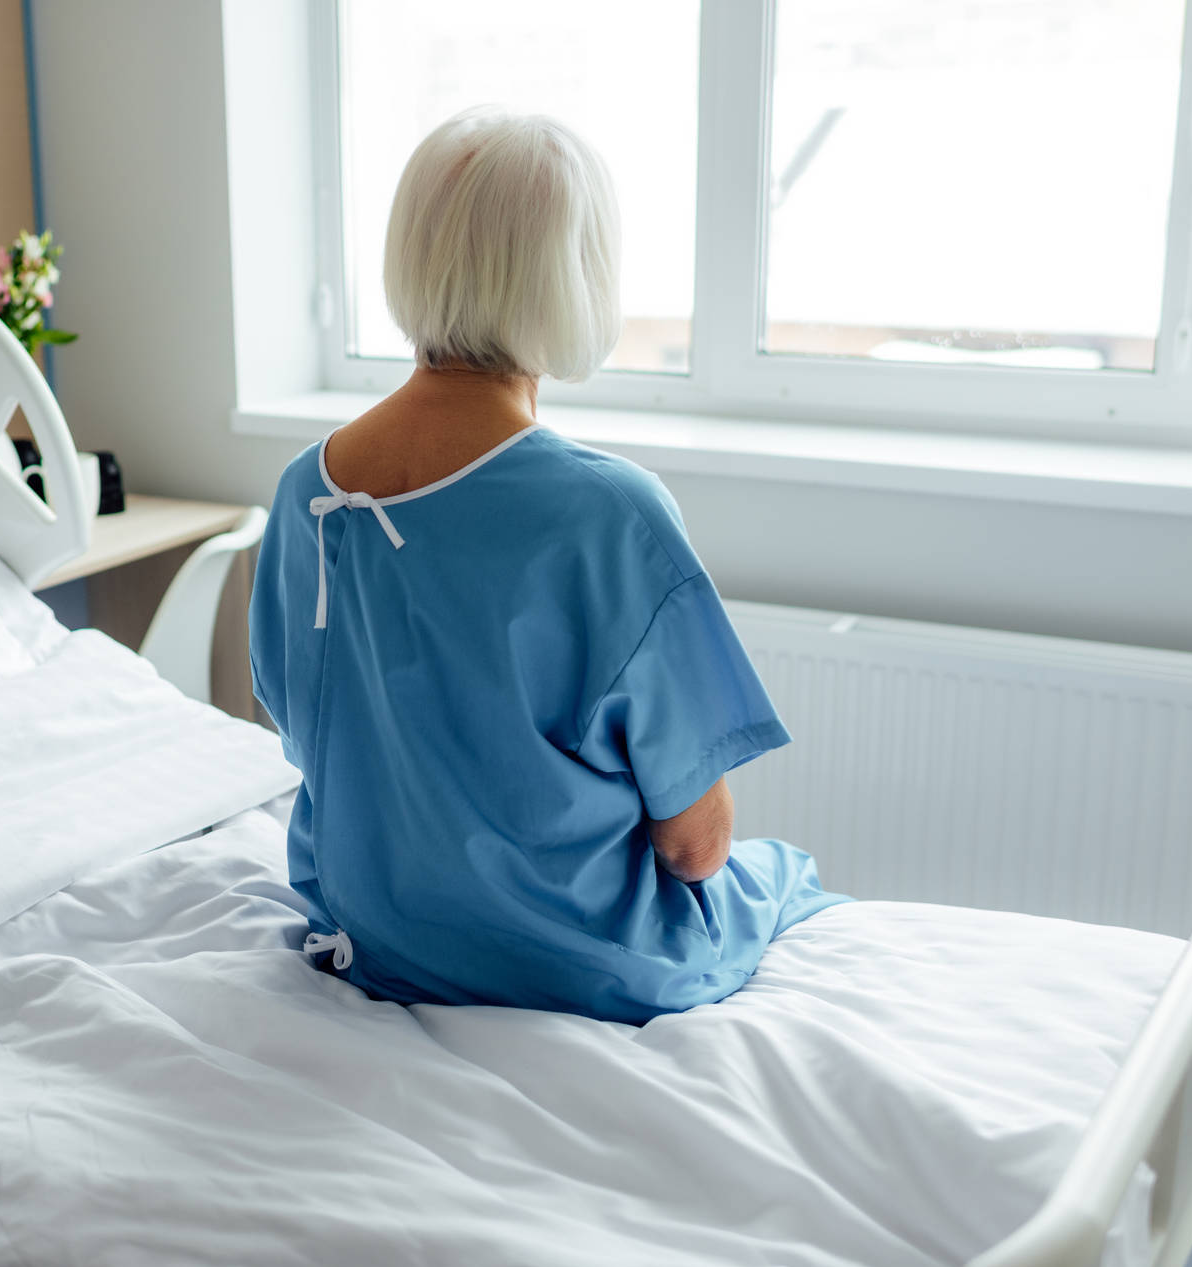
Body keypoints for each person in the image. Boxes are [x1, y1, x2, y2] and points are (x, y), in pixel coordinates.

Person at [248, 108, 846, 1023]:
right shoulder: (610, 516)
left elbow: (309, 740)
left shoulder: (305, 493)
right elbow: (696, 848)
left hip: (386, 944)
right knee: (785, 875)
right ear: (575, 272)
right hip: (574, 966)